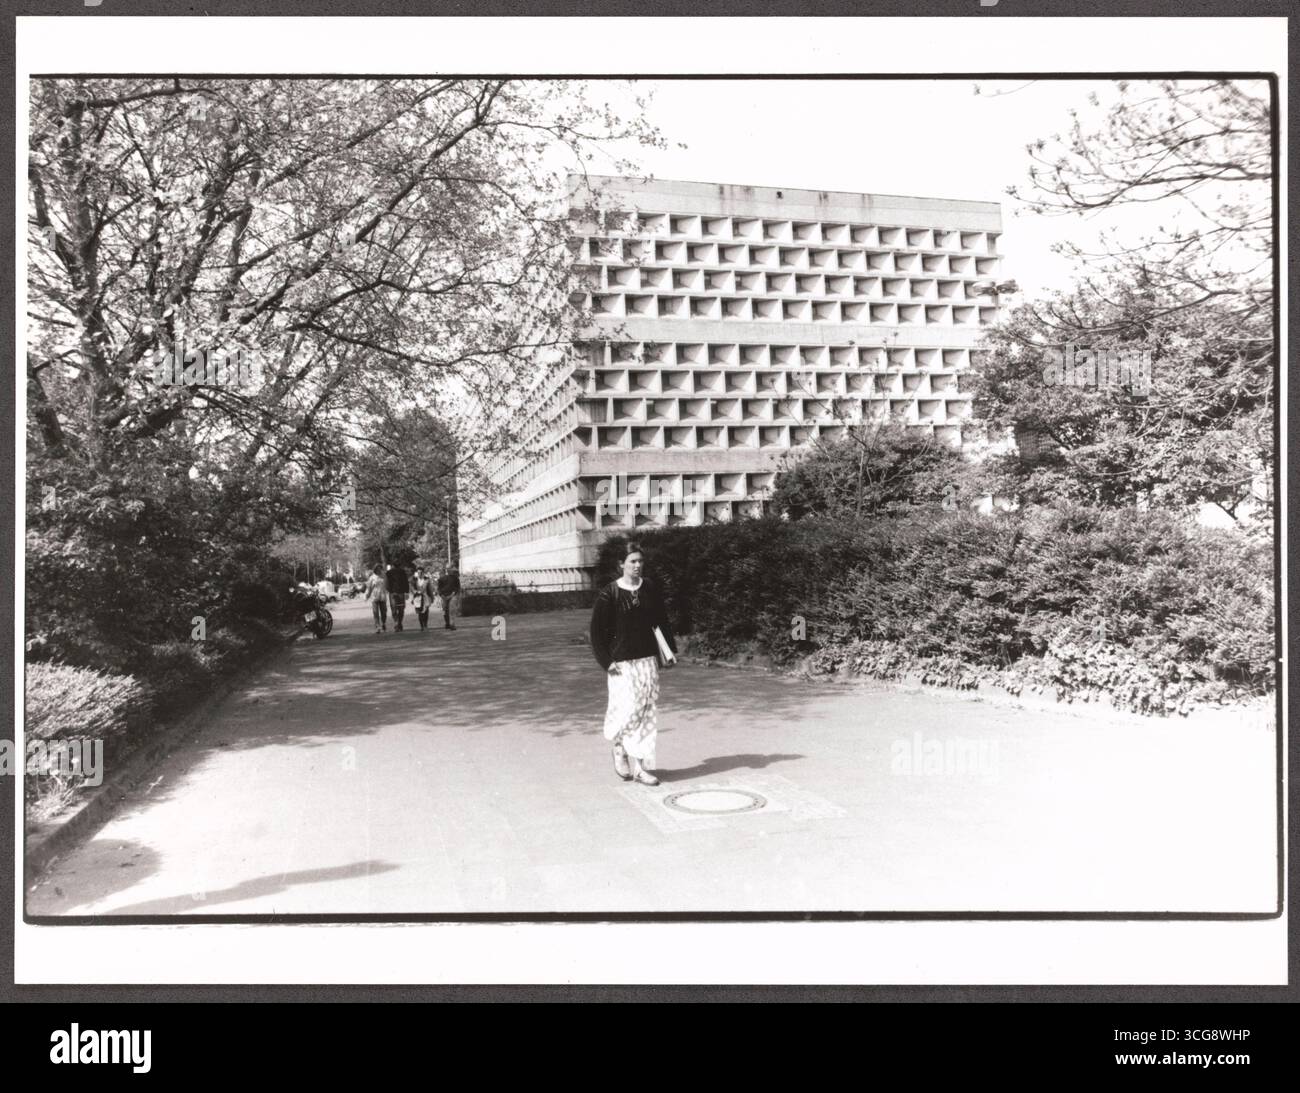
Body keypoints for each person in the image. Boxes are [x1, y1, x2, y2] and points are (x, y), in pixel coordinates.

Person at [589, 541, 676, 786]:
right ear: (621, 565)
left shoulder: (649, 588)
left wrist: (668, 652)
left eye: (640, 561)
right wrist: (606, 662)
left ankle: (640, 767)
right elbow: (596, 632)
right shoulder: (610, 593)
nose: (638, 566)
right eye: (632, 562)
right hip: (621, 664)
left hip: (647, 660)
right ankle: (619, 748)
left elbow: (661, 621)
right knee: (628, 710)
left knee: (647, 712)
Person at [411, 566, 437, 631]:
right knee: (420, 612)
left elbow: (430, 589)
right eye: (418, 572)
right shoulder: (414, 580)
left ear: (423, 573)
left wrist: (432, 597)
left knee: (426, 611)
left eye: (421, 572)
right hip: (417, 598)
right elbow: (411, 588)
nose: (419, 574)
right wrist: (415, 592)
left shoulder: (427, 579)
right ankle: (421, 626)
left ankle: (425, 624)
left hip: (426, 597)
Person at [387, 562, 410, 631]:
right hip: (400, 593)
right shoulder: (391, 572)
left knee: (395, 609)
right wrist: (407, 592)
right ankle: (398, 623)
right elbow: (406, 582)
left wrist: (391, 591)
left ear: (393, 565)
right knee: (400, 609)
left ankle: (397, 623)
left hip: (395, 593)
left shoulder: (390, 572)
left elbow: (387, 584)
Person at [365, 564, 388, 633]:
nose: (379, 570)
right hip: (374, 597)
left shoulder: (384, 576)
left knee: (384, 612)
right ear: (375, 570)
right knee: (375, 613)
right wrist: (367, 595)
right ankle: (378, 626)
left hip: (382, 596)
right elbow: (369, 587)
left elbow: (387, 585)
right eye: (377, 569)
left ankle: (383, 623)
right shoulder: (372, 578)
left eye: (380, 569)